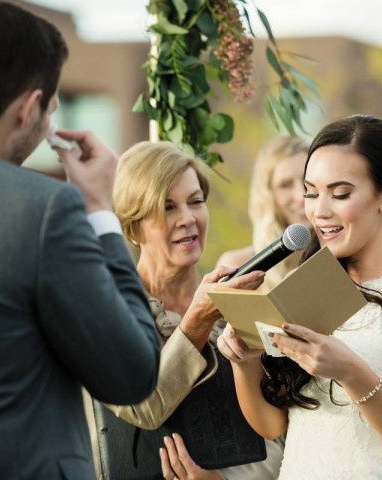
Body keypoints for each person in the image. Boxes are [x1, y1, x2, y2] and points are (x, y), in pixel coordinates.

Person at [0, 2, 159, 478]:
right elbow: (131, 373)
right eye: (51, 109)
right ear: (29, 107)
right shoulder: (41, 208)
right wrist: (100, 209)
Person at [217, 114, 382, 480]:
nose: (319, 211)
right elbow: (273, 426)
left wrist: (350, 371)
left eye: (340, 193)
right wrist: (244, 361)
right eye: (311, 192)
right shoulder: (308, 282)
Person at [83, 141, 283, 480]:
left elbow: (279, 432)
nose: (188, 218)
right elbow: (140, 406)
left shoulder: (241, 300)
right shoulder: (104, 313)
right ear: (134, 226)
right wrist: (198, 319)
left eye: (196, 202)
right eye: (168, 207)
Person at [217, 136, 310, 288]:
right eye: (286, 185)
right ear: (267, 195)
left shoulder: (344, 255)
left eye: (307, 180)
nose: (301, 196)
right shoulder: (237, 265)